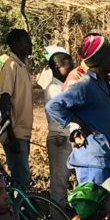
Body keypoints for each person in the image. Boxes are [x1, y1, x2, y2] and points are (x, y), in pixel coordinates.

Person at [44, 34, 110, 186]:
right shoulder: (86, 85)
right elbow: (53, 106)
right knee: (93, 208)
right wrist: (80, 123)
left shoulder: (103, 84)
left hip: (106, 158)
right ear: (101, 60)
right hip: (94, 162)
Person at [0, 28, 35, 191]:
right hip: (15, 133)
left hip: (23, 132)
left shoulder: (23, 66)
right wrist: (10, 134)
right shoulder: (10, 65)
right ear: (14, 44)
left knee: (23, 179)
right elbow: (4, 99)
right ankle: (17, 214)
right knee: (21, 179)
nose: (30, 44)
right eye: (25, 41)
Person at [38, 46, 75, 203]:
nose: (72, 69)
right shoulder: (54, 89)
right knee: (59, 184)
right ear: (57, 68)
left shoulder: (64, 87)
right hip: (60, 138)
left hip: (67, 137)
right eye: (68, 66)